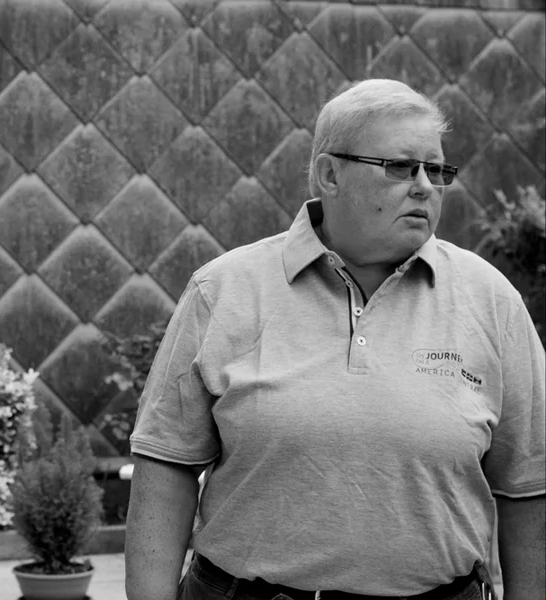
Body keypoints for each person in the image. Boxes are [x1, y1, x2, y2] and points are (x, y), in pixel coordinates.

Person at [125, 79, 545, 600]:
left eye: (436, 170)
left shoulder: (492, 300)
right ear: (330, 175)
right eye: (400, 167)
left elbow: (529, 485)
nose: (424, 187)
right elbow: (166, 463)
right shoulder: (224, 290)